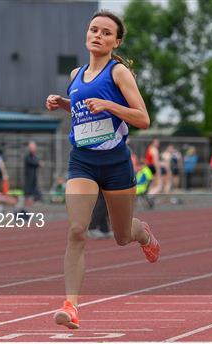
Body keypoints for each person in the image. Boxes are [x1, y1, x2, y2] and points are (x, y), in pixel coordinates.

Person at [45, 10, 160, 329]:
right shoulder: (75, 75)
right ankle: (71, 306)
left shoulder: (119, 73)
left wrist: (109, 105)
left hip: (116, 162)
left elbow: (142, 119)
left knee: (122, 236)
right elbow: (85, 112)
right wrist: (64, 104)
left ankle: (143, 232)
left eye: (106, 32)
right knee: (76, 230)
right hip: (82, 160)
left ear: (116, 41)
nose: (98, 35)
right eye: (93, 29)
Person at [24, 141, 43, 207]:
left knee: (37, 193)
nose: (33, 148)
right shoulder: (27, 156)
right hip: (29, 178)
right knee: (28, 192)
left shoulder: (35, 156)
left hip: (34, 177)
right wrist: (38, 163)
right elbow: (33, 162)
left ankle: (33, 202)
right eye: (31, 147)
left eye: (34, 147)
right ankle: (27, 203)